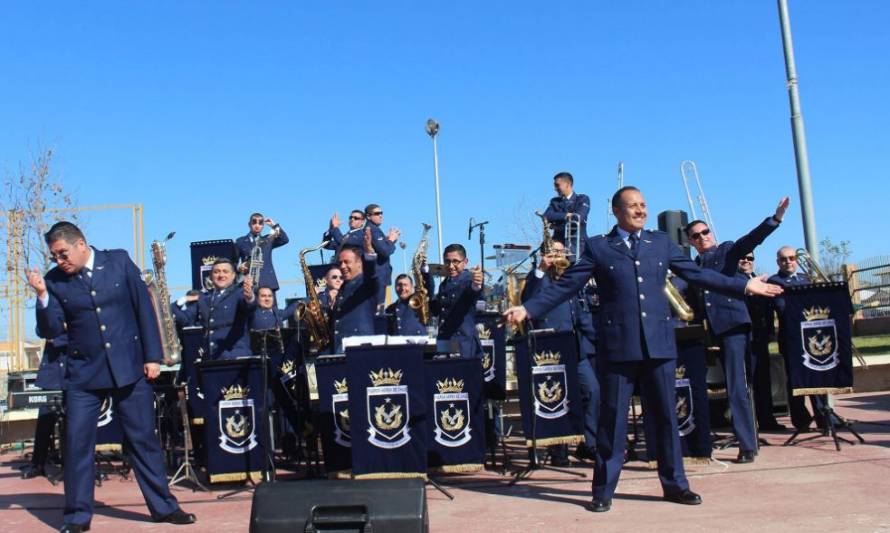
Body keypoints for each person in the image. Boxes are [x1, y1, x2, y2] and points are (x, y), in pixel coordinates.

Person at [503, 187, 782, 513]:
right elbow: (567, 285)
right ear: (618, 211)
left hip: (660, 347)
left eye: (644, 205)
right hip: (619, 350)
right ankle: (603, 491)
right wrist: (528, 309)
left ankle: (676, 485)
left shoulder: (660, 243)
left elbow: (698, 274)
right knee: (613, 421)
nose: (641, 211)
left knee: (666, 418)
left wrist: (744, 285)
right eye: (633, 206)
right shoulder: (598, 247)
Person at [28, 221, 195, 532]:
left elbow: (143, 308)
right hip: (83, 374)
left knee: (143, 440)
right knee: (77, 444)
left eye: (63, 254)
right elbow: (50, 330)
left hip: (129, 367)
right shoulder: (54, 281)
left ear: (80, 244)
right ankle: (77, 517)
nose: (59, 261)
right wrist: (42, 296)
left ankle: (164, 508)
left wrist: (152, 356)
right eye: (54, 257)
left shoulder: (118, 262)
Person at [684, 197, 789, 463]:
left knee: (736, 385)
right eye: (696, 236)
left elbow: (750, 240)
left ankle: (747, 444)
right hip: (709, 333)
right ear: (690, 242)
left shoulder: (726, 251)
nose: (702, 237)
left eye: (705, 232)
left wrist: (774, 220)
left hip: (733, 327)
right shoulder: (693, 267)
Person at [521, 240, 600, 465]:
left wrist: (595, 339)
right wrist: (540, 270)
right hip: (550, 349)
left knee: (593, 392)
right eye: (554, 251)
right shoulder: (537, 278)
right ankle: (559, 450)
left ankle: (589, 444)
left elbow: (581, 312)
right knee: (556, 397)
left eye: (561, 251)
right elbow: (528, 301)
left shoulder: (572, 278)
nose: (559, 255)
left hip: (575, 347)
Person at [768, 246, 826, 432]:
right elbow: (782, 307)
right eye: (784, 259)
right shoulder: (775, 281)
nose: (788, 262)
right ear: (778, 262)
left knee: (817, 376)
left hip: (811, 334)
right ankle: (801, 421)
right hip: (791, 338)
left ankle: (823, 417)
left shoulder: (806, 278)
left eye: (792, 258)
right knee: (795, 380)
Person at [739, 254, 785, 431]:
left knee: (763, 379)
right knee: (748, 381)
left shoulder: (759, 280)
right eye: (743, 258)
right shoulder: (737, 281)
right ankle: (750, 422)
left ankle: (767, 419)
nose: (747, 261)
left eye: (750, 258)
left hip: (760, 338)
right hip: (744, 339)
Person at [176, 258, 256, 360]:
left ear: (233, 275)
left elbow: (250, 306)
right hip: (210, 359)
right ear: (211, 276)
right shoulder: (204, 298)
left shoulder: (239, 293)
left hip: (235, 358)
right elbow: (185, 319)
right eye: (216, 272)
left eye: (225, 271)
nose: (221, 275)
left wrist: (249, 297)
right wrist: (178, 303)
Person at [20, 333, 67, 480]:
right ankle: (37, 464)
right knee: (44, 420)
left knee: (75, 422)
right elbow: (43, 330)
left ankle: (73, 464)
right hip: (52, 373)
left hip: (74, 370)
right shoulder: (52, 310)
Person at [330, 229, 379, 353]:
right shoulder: (342, 288)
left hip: (360, 349)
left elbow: (371, 273)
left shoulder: (366, 283)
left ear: (359, 263)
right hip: (340, 347)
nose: (342, 266)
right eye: (340, 263)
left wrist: (369, 252)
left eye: (347, 262)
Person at [433, 244, 484, 359]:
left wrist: (477, 284)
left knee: (461, 374)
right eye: (447, 261)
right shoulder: (444, 284)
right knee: (444, 374)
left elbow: (473, 291)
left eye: (455, 261)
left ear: (465, 261)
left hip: (463, 342)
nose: (451, 266)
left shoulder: (468, 280)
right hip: (445, 339)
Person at [235, 213, 289, 294]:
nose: (257, 225)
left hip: (268, 284)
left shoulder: (268, 239)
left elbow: (284, 239)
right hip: (248, 285)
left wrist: (274, 225)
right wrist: (239, 268)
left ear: (263, 225)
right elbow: (232, 262)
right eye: (254, 222)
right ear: (249, 224)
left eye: (260, 223)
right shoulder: (240, 241)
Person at [543, 172, 591, 257]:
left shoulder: (582, 199)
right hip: (558, 249)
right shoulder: (555, 201)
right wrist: (565, 215)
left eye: (557, 185)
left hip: (578, 249)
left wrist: (555, 226)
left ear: (568, 184)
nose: (555, 189)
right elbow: (546, 216)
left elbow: (578, 218)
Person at [364, 203, 400, 307]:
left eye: (381, 213)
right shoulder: (373, 230)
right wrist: (391, 240)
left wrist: (387, 240)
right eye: (377, 213)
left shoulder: (373, 229)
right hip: (378, 277)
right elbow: (385, 252)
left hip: (377, 277)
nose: (381, 215)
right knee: (379, 310)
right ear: (368, 216)